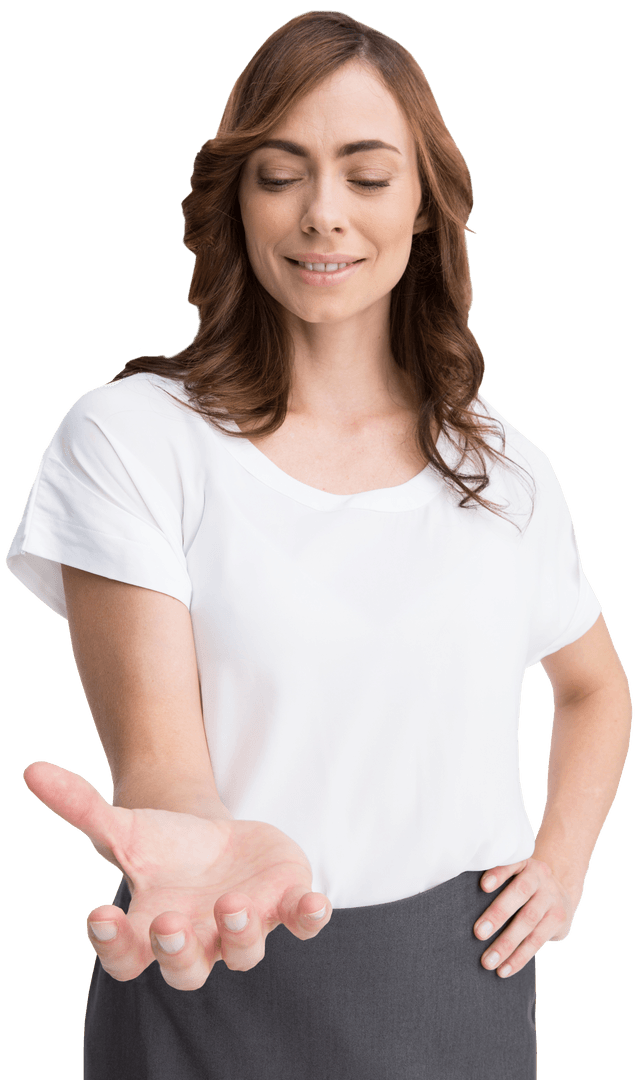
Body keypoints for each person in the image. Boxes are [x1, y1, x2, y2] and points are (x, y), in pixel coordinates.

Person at [5, 10, 632, 1080]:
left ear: (424, 206)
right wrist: (205, 858)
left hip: (456, 992)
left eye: (367, 176)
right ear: (237, 200)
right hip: (209, 958)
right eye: (281, 174)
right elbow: (160, 762)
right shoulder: (135, 438)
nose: (323, 214)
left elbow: (596, 687)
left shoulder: (502, 469)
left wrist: (562, 864)